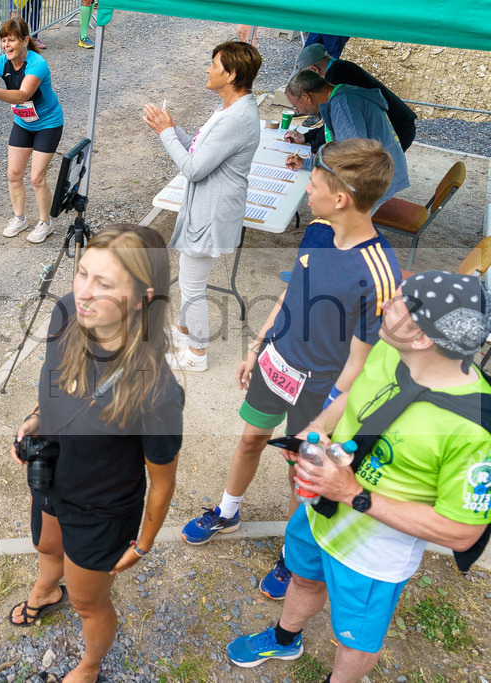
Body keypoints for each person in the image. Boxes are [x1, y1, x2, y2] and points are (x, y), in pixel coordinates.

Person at [226, 270, 491, 681]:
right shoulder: (393, 350)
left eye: (398, 303)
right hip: (319, 510)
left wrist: (353, 494)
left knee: (356, 640)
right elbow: (357, 392)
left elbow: (462, 533)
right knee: (303, 578)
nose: (385, 305)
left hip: (371, 555)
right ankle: (285, 638)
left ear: (422, 337)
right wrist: (314, 431)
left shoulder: (475, 429)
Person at [179, 138, 402, 600]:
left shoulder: (379, 274)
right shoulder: (319, 229)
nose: (307, 191)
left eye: (314, 184)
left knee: (299, 466)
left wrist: (323, 419)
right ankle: (227, 512)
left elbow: (361, 365)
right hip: (276, 362)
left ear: (341, 198)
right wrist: (257, 345)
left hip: (320, 391)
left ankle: (291, 552)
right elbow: (290, 293)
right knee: (250, 439)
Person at [9, 224, 183, 683]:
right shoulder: (67, 312)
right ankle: (47, 589)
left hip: (101, 510)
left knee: (88, 601)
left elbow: (162, 481)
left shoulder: (156, 390)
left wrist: (143, 543)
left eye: (103, 284)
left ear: (143, 298)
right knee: (46, 546)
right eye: (82, 273)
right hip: (51, 474)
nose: (83, 293)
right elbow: (51, 378)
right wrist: (36, 417)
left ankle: (89, 666)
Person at [143, 40, 261, 372]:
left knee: (192, 288)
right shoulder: (230, 110)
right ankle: (184, 332)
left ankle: (197, 354)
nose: (208, 69)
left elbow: (194, 168)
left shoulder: (237, 118)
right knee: (189, 279)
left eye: (214, 64)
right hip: (208, 209)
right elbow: (199, 149)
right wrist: (172, 129)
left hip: (212, 214)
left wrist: (166, 134)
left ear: (232, 74)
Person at [0, 18, 64, 244]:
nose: (6, 45)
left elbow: (23, 95)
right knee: (14, 174)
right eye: (3, 40)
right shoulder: (0, 62)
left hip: (48, 124)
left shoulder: (37, 63)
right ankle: (20, 219)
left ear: (25, 40)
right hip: (24, 123)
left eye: (11, 40)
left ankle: (45, 223)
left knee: (37, 178)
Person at [283, 70, 409, 210]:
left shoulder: (344, 104)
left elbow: (351, 154)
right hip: (379, 171)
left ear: (306, 97)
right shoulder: (341, 96)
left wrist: (313, 166)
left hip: (374, 178)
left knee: (342, 219)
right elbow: (340, 146)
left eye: (295, 105)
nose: (297, 110)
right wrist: (308, 162)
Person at [294, 43, 417, 151]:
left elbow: (336, 125)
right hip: (398, 124)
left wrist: (315, 149)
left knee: (378, 166)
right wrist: (307, 137)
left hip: (396, 127)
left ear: (314, 70)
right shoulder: (339, 68)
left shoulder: (336, 75)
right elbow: (333, 124)